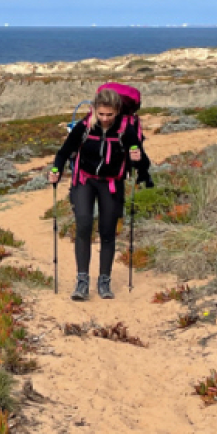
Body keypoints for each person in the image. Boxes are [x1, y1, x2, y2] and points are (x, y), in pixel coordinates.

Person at [46, 88, 153, 301]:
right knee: (84, 224)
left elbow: (143, 163)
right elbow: (64, 152)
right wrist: (56, 170)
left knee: (107, 231)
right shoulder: (84, 127)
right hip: (85, 180)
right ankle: (82, 281)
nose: (104, 119)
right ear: (94, 110)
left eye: (109, 115)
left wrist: (138, 157)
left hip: (111, 184)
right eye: (101, 114)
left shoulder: (126, 129)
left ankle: (104, 281)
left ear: (117, 112)